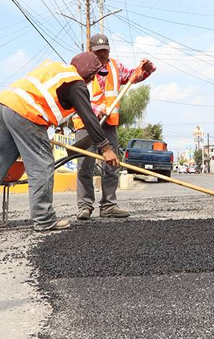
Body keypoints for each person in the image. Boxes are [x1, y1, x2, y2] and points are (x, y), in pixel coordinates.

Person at [0, 52, 119, 232]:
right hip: (26, 112)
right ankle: (44, 219)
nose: (92, 80)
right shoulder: (76, 83)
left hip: (2, 106)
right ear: (87, 71)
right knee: (42, 165)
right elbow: (89, 119)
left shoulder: (56, 70)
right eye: (93, 75)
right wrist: (106, 148)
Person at [72, 34, 155, 220]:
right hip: (85, 123)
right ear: (90, 51)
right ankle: (84, 206)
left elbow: (133, 77)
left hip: (108, 124)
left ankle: (109, 205)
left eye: (105, 51)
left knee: (112, 164)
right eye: (98, 52)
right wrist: (95, 109)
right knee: (85, 165)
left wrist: (146, 69)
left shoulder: (115, 67)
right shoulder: (81, 67)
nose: (102, 55)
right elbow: (75, 95)